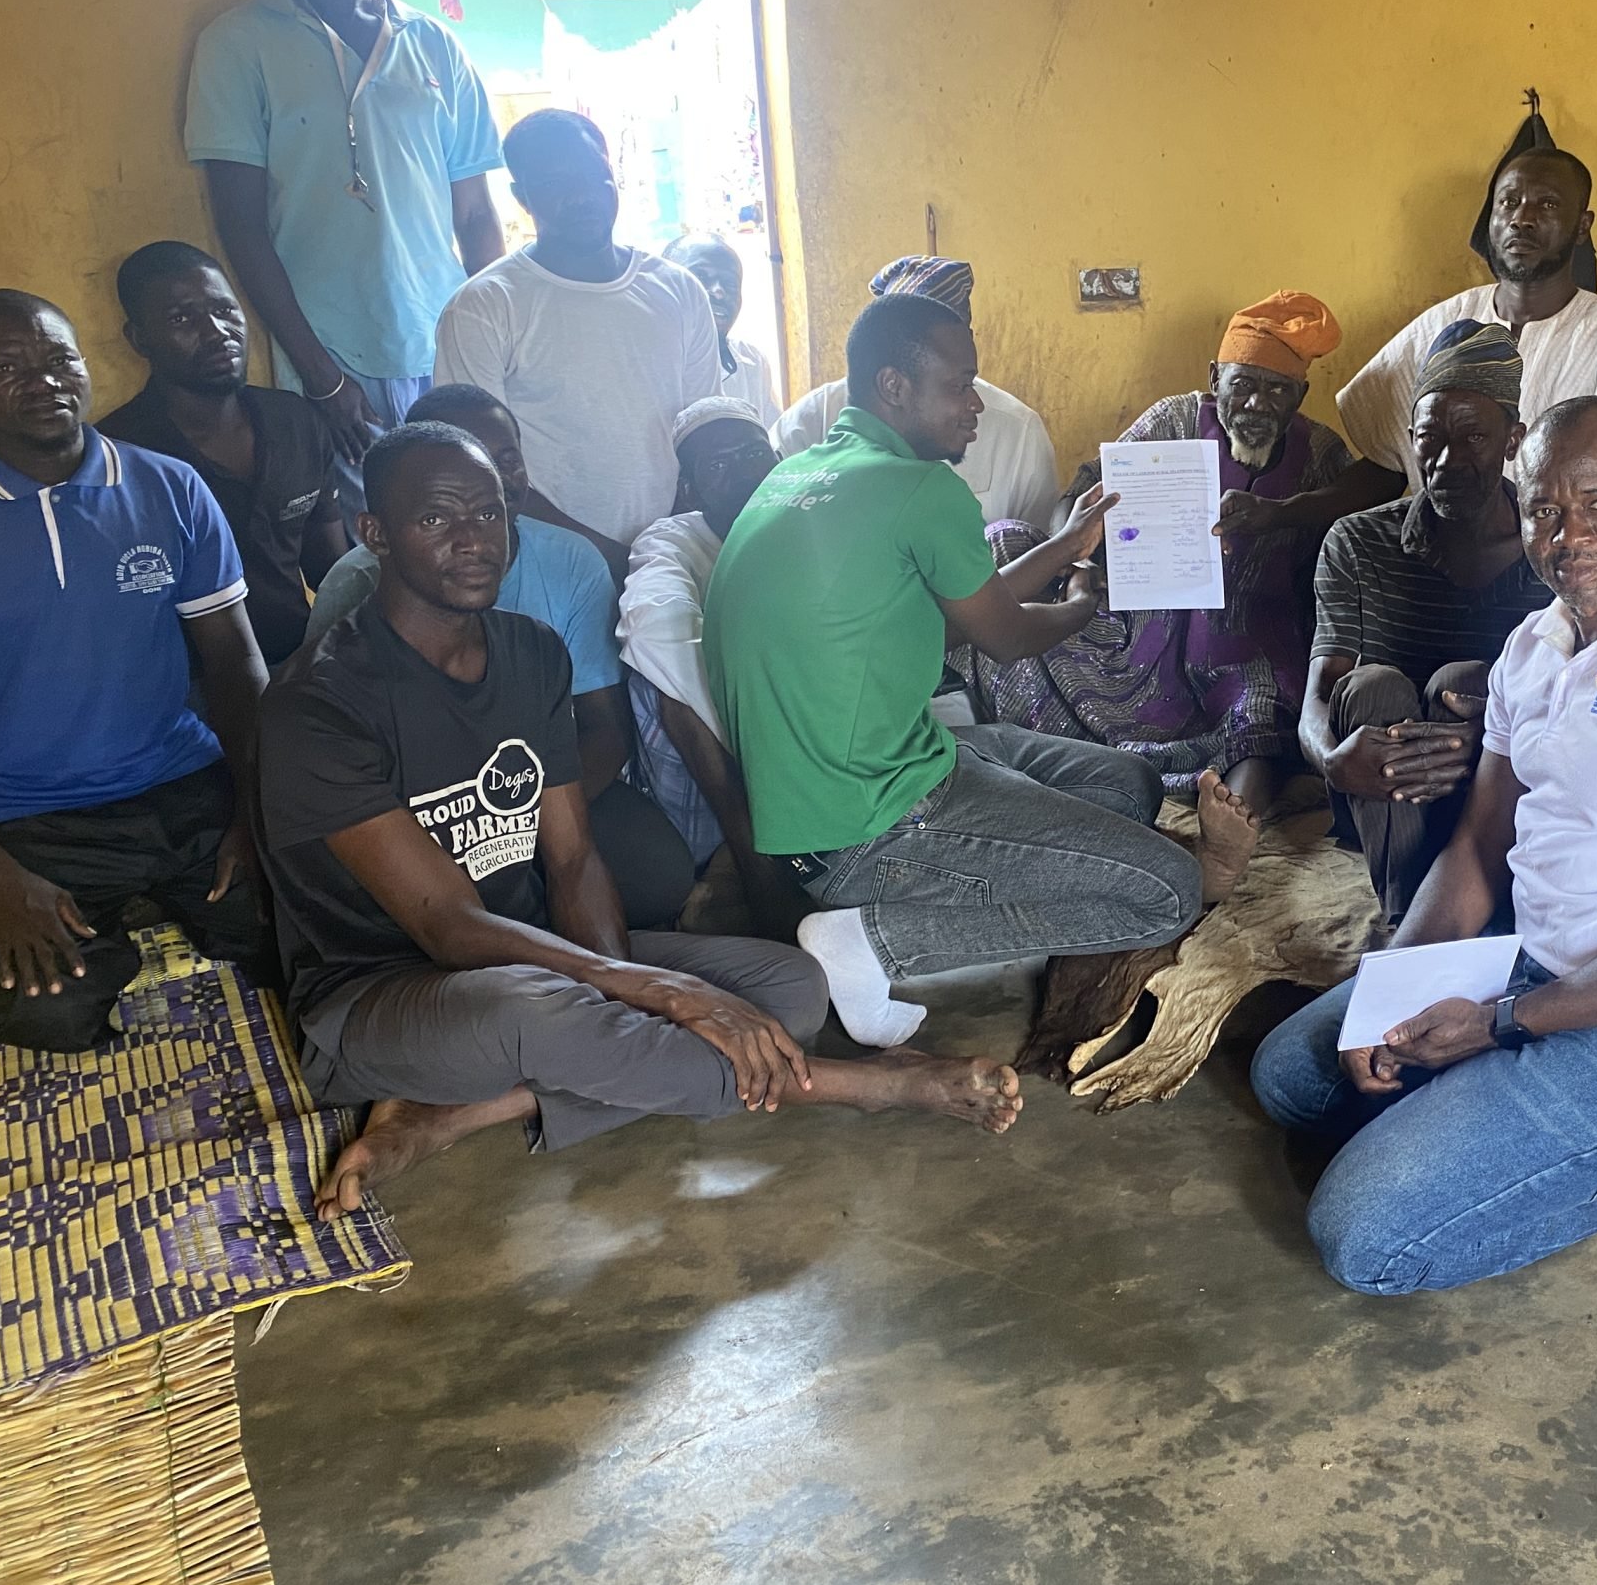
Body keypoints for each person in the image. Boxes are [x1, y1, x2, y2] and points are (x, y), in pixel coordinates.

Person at [258, 422, 1024, 1219]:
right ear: (374, 533)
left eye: (489, 514)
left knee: (790, 989)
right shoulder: (317, 706)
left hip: (528, 948)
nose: (473, 540)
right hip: (380, 993)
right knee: (537, 1010)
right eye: (435, 518)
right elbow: (447, 926)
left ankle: (456, 1114)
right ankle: (867, 1085)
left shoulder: (530, 653)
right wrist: (660, 992)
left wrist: (633, 998)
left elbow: (572, 859)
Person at [1251, 398, 1597, 1295]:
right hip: (1527, 968)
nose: (1568, 535)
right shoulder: (1534, 646)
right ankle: (1496, 1123)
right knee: (1291, 1078)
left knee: (1362, 1237)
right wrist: (1396, 990)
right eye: (1545, 509)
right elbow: (1479, 847)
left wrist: (1495, 1026)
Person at [705, 295, 1211, 1048]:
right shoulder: (921, 487)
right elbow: (1006, 636)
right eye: (959, 386)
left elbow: (965, 610)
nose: (976, 406)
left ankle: (983, 882)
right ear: (893, 386)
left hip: (830, 798)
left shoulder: (803, 475)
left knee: (1129, 786)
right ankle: (874, 940)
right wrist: (1082, 601)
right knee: (1170, 891)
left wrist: (1066, 545)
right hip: (874, 822)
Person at [954, 291, 1356, 850]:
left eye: (1278, 389)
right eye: (1243, 383)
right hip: (1145, 617)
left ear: (1301, 396)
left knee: (1260, 708)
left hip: (1252, 634)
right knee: (1004, 540)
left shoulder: (1321, 452)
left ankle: (1233, 821)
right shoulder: (1174, 420)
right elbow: (1081, 495)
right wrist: (1079, 558)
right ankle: (1068, 756)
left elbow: (1356, 527)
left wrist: (1278, 519)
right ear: (1215, 377)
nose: (1257, 403)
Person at [304, 385, 693, 930]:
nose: (492, 479)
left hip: (544, 788)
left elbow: (605, 727)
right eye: (465, 465)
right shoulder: (353, 584)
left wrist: (522, 828)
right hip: (416, 808)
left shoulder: (569, 565)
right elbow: (332, 752)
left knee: (657, 874)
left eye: (506, 458)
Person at [0, 292, 270, 1049]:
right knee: (45, 1006)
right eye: (8, 368)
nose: (44, 381)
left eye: (60, 359)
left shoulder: (169, 486)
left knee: (303, 923)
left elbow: (235, 663)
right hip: (22, 814)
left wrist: (256, 809)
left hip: (179, 780)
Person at [186, 0, 505, 480]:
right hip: (329, 360)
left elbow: (474, 216)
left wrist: (496, 346)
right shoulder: (237, 43)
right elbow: (241, 225)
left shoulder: (434, 43)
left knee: (463, 512)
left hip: (445, 344)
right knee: (364, 531)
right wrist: (322, 377)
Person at [1300, 319, 1550, 921]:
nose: (1446, 460)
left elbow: (1584, 694)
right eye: (1430, 438)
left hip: (1502, 779)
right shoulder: (1357, 542)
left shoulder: (1551, 547)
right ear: (1410, 437)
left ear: (1513, 440)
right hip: (1376, 789)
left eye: (1473, 437)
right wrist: (1332, 760)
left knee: (1469, 682)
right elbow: (1319, 694)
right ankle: (1410, 919)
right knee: (1371, 686)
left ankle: (1433, 920)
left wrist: (1499, 740)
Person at [433, 109, 723, 558]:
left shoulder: (679, 291)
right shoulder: (484, 307)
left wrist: (665, 549)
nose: (582, 195)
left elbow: (702, 433)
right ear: (521, 197)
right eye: (555, 183)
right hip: (542, 562)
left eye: (594, 174)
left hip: (668, 556)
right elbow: (480, 468)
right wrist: (603, 559)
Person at [1337, 149, 1597, 486]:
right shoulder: (1442, 324)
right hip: (1441, 523)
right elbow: (1389, 464)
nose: (1522, 219)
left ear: (1582, 226)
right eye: (1509, 202)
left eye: (1548, 204)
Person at [101, 240, 347, 667]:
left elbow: (332, 570)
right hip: (188, 686)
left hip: (299, 664)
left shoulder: (295, 422)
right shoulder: (117, 457)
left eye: (225, 309)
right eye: (182, 318)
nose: (217, 332)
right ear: (139, 338)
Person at [615, 398, 781, 880]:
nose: (746, 474)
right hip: (731, 757)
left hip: (804, 736)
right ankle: (747, 862)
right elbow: (657, 631)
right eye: (718, 465)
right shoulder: (670, 541)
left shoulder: (807, 523)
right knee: (662, 680)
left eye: (754, 454)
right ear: (688, 489)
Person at [774, 257, 1060, 529]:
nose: (975, 405)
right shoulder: (810, 420)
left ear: (965, 339)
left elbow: (1036, 544)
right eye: (906, 337)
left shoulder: (1019, 430)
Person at [663, 233, 784, 429]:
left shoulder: (752, 363)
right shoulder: (643, 363)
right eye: (700, 278)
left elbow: (772, 438)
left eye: (730, 283)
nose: (719, 292)